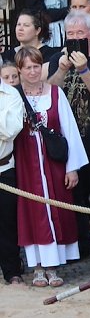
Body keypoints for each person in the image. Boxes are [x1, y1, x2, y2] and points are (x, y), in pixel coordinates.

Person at [14, 46, 89, 288]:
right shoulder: (13, 98)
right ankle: (37, 267)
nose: (33, 71)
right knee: (30, 211)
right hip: (26, 165)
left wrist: (72, 167)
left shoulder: (55, 94)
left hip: (54, 164)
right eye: (28, 67)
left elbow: (70, 130)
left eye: (37, 66)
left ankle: (54, 266)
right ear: (20, 70)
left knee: (57, 209)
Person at [47, 11, 90, 255]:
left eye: (79, 33)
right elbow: (49, 93)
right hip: (69, 145)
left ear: (89, 34)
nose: (75, 38)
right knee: (76, 199)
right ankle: (83, 248)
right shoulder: (58, 59)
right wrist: (63, 70)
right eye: (71, 34)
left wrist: (84, 70)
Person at [0, 79, 26, 285]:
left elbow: (11, 130)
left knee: (7, 223)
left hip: (4, 168)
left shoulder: (12, 94)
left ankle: (12, 271)